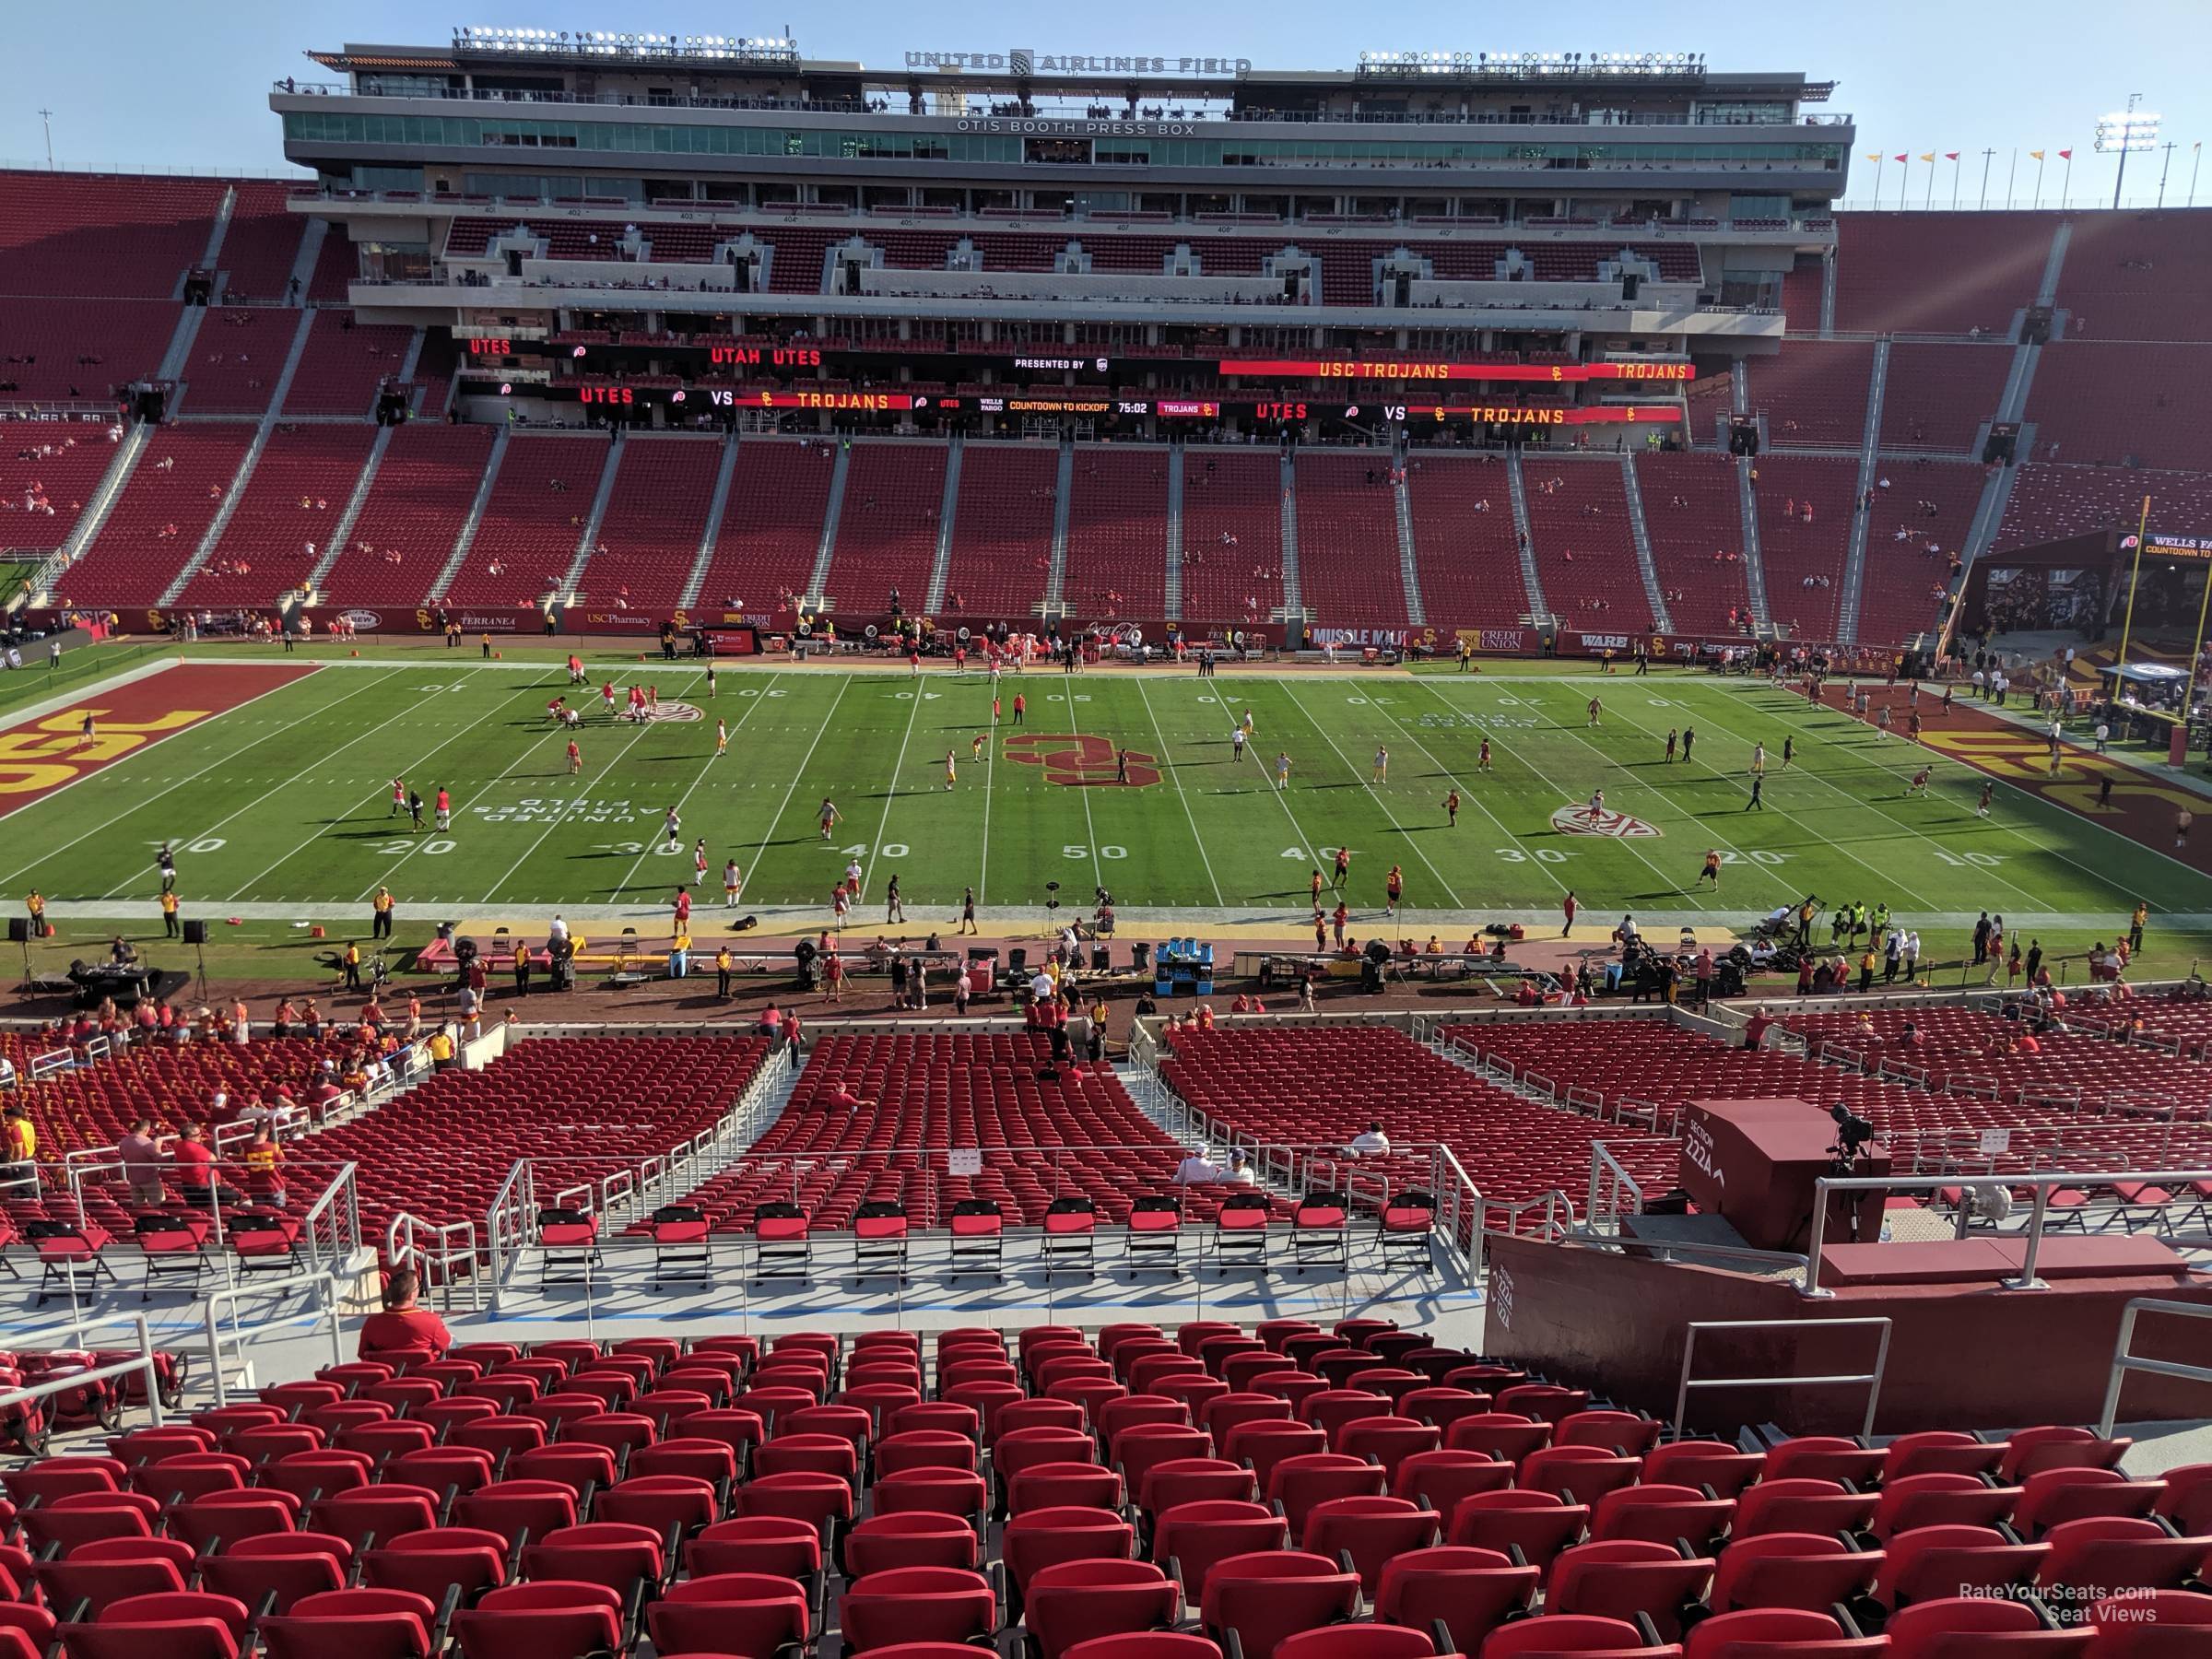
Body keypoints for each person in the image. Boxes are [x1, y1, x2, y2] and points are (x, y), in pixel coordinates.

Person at [358, 1270, 452, 1362]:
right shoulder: (431, 1320)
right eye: (418, 1286)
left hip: (389, 1377)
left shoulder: (372, 1322)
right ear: (411, 1295)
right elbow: (445, 1344)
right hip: (423, 1376)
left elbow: (363, 1354)